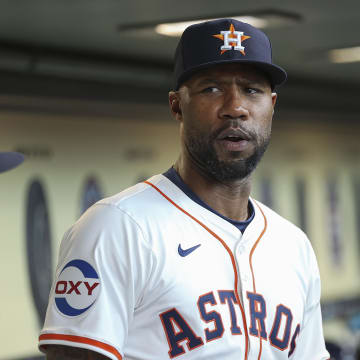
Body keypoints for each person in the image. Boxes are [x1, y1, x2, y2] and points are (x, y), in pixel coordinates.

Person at [39, 19, 330, 359]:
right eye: (212, 89)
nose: (235, 107)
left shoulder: (293, 245)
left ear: (272, 106)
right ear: (177, 105)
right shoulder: (117, 228)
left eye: (252, 90)